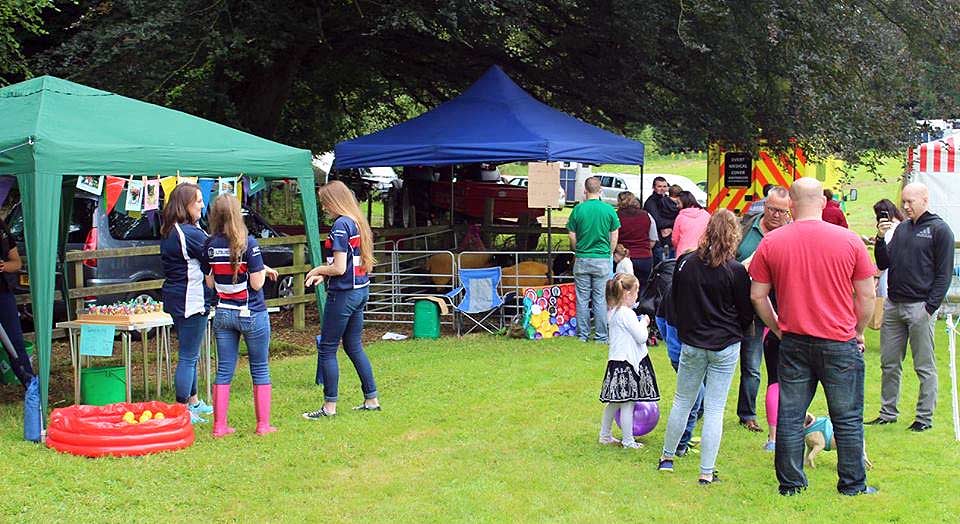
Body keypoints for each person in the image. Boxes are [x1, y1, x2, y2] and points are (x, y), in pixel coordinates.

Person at [750, 177, 877, 496]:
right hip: (839, 341)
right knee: (847, 418)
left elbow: (757, 295)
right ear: (823, 202)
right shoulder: (849, 241)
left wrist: (778, 327)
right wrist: (858, 331)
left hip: (794, 341)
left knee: (791, 417)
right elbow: (867, 296)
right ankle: (852, 485)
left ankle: (791, 484)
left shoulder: (772, 242)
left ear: (790, 203)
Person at [658, 210, 754, 485]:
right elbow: (745, 311)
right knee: (714, 409)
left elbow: (674, 300)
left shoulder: (686, 263)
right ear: (734, 235)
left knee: (682, 402)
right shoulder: (735, 271)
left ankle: (667, 458)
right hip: (724, 343)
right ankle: (706, 473)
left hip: (693, 341)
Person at [868, 182, 955, 431]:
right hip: (894, 305)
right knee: (889, 362)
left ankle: (924, 418)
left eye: (910, 202)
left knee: (924, 365)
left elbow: (944, 273)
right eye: (903, 202)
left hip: (920, 306)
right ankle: (887, 412)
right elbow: (884, 263)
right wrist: (881, 239)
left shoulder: (940, 230)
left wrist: (930, 307)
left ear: (924, 200)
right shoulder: (902, 229)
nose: (905, 207)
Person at [302, 180, 381, 419]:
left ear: (334, 201)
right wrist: (323, 276)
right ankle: (371, 399)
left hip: (344, 295)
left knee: (327, 348)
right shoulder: (357, 222)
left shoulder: (340, 225)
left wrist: (317, 270)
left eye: (325, 203)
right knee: (354, 345)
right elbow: (348, 264)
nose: (324, 208)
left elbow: (337, 267)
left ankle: (329, 407)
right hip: (360, 291)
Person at [203, 195, 280, 437]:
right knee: (260, 368)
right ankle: (263, 425)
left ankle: (219, 426)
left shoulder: (209, 245)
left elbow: (210, 282)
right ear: (238, 214)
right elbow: (256, 284)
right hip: (252, 313)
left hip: (224, 313)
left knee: (224, 369)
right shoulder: (248, 242)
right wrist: (260, 269)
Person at [734, 185, 791, 433]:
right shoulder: (746, 228)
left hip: (785, 305)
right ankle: (747, 414)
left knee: (782, 365)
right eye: (771, 209)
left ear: (789, 212)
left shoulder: (792, 234)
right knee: (752, 363)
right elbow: (730, 262)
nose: (775, 215)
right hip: (751, 305)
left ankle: (783, 414)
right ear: (763, 206)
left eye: (781, 211)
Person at [160, 183, 215, 424]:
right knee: (189, 356)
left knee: (188, 353)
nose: (203, 206)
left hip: (176, 297)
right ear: (185, 205)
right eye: (198, 201)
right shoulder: (190, 233)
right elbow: (213, 254)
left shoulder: (170, 230)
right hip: (191, 298)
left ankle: (193, 401)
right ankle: (182, 409)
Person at [598, 273, 659, 449]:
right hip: (628, 363)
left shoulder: (614, 312)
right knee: (628, 402)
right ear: (627, 294)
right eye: (636, 291)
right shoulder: (627, 314)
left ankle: (605, 435)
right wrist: (645, 323)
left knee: (615, 402)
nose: (637, 295)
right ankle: (628, 440)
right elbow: (641, 337)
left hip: (616, 362)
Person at [568, 176, 620, 343]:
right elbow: (614, 236)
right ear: (601, 190)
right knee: (600, 299)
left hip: (583, 258)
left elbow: (572, 235)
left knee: (582, 298)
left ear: (585, 190)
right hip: (602, 258)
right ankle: (601, 336)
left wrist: (577, 249)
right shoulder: (609, 210)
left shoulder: (578, 210)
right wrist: (609, 253)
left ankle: (583, 335)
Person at [0, 216, 32, 389]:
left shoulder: (2, 229)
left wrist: (3, 266)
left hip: (3, 294)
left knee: (15, 342)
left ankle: (30, 383)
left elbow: (16, 263)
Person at [616, 192, 657, 286]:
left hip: (623, 257)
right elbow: (653, 239)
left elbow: (612, 238)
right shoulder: (647, 215)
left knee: (623, 290)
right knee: (643, 289)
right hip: (644, 257)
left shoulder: (616, 216)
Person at [871, 199, 903, 299]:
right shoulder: (903, 226)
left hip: (888, 276)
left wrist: (876, 278)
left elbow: (884, 258)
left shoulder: (889, 231)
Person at [643, 177, 674, 265]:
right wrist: (674, 223)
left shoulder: (669, 200)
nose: (662, 189)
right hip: (658, 242)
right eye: (659, 186)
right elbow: (657, 222)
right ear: (654, 187)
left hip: (669, 241)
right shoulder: (651, 202)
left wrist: (670, 226)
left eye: (664, 186)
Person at [671, 191, 711, 255]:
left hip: (683, 254)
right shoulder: (706, 215)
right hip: (702, 252)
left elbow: (675, 239)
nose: (677, 206)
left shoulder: (680, 217)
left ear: (685, 202)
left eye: (678, 203)